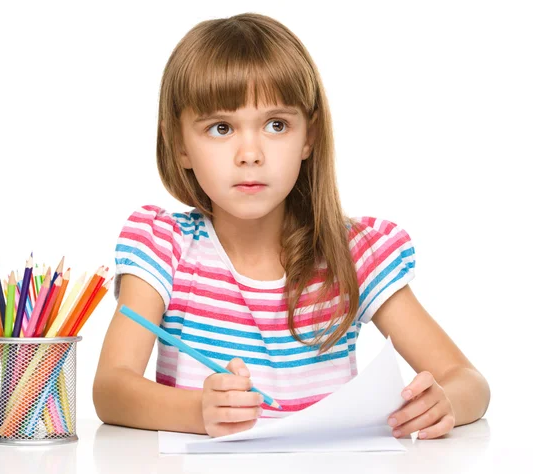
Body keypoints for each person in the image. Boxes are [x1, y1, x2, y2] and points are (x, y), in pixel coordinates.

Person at [93, 12, 490, 440]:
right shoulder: (164, 247)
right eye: (221, 128)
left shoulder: (354, 254)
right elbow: (111, 389)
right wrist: (198, 411)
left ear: (308, 137)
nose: (250, 153)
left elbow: (469, 381)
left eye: (276, 125)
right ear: (179, 145)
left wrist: (444, 402)